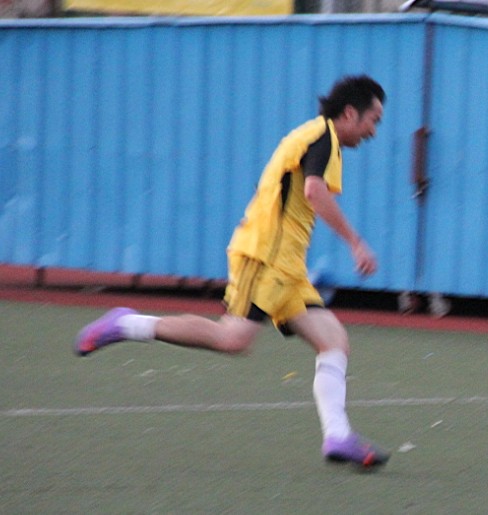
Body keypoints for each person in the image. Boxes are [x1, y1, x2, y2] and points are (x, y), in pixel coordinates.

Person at [75, 75, 389, 469]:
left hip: (286, 265)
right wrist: (355, 242)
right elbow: (313, 191)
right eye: (373, 120)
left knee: (334, 341)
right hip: (265, 256)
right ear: (350, 113)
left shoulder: (319, 137)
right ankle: (126, 324)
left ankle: (338, 436)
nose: (374, 131)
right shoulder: (321, 136)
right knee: (233, 339)